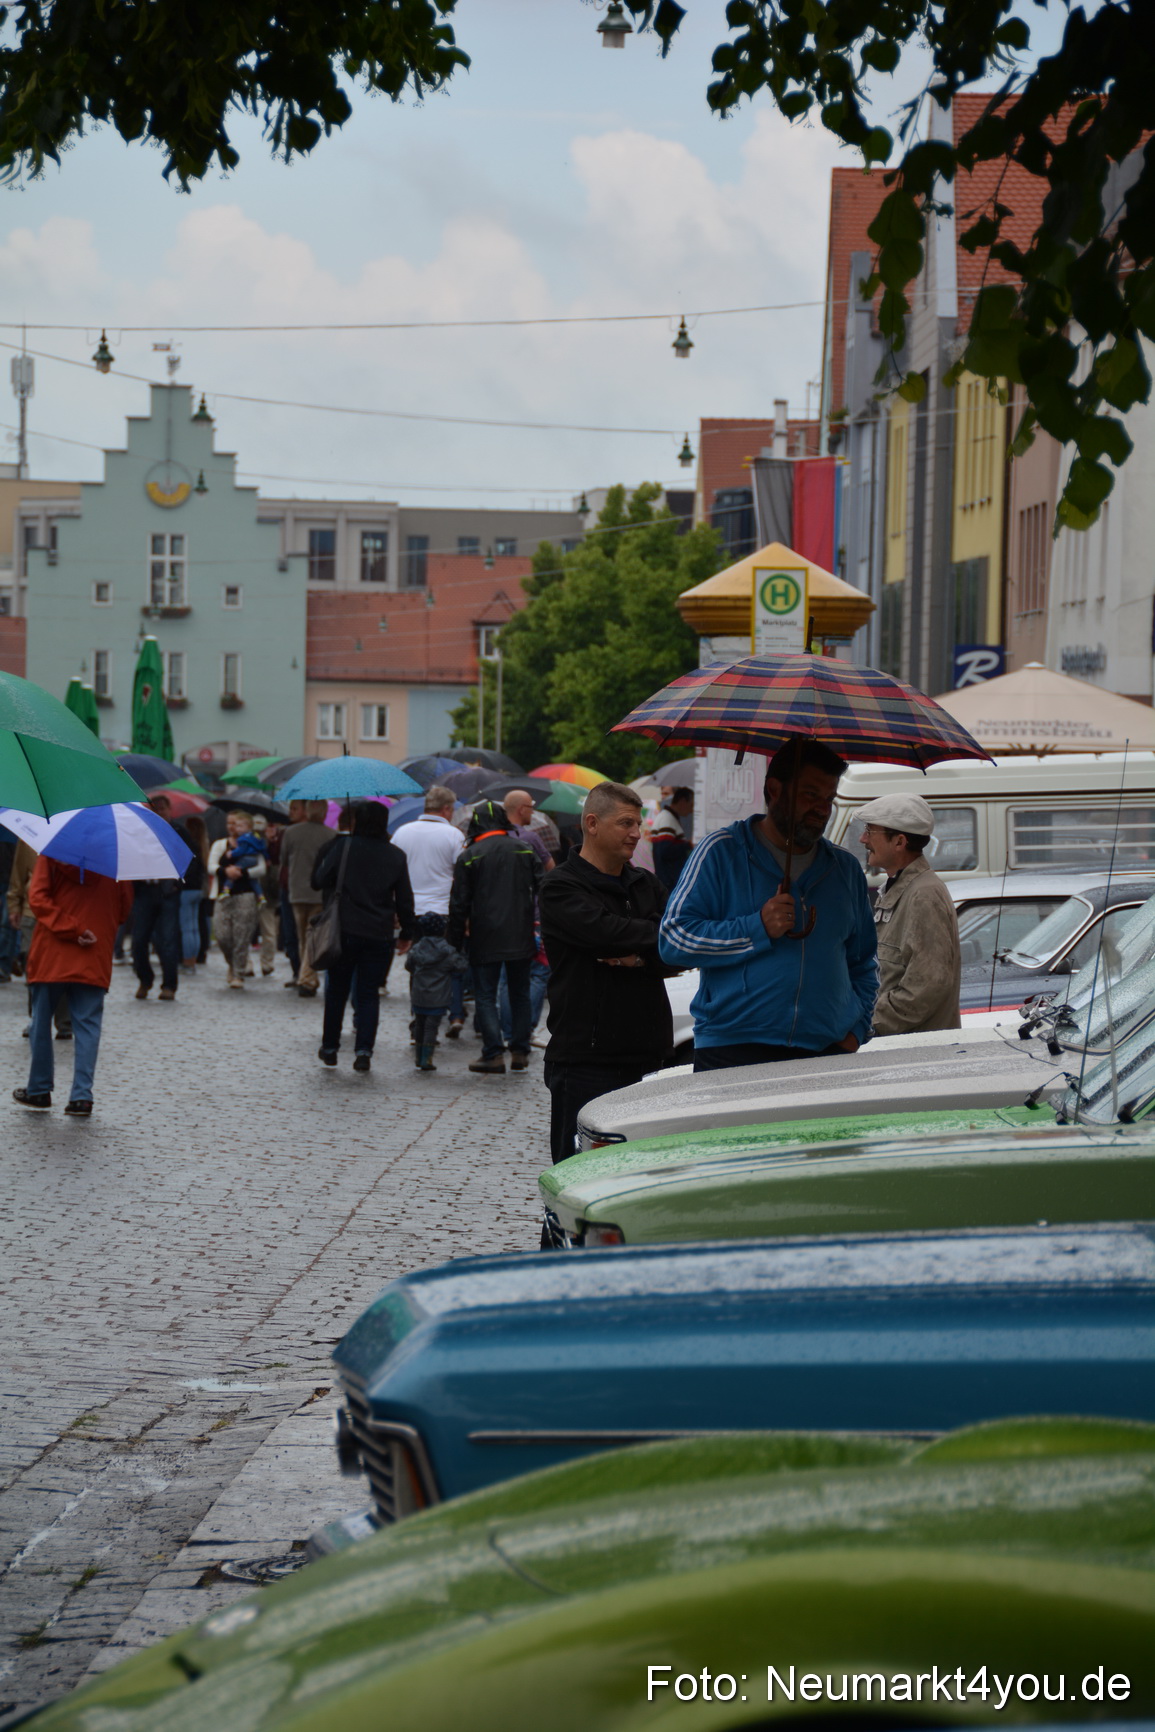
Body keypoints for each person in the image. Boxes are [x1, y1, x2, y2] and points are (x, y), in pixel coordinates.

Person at [659, 740, 878, 1071]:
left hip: (826, 1054)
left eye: (829, 798)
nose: (822, 808)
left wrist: (857, 1029)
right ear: (774, 790)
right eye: (809, 795)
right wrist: (756, 928)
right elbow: (674, 940)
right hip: (732, 1051)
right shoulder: (721, 852)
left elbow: (864, 962)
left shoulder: (844, 870)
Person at [539, 781, 675, 1164]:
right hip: (585, 1059)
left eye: (638, 823)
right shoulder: (560, 886)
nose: (636, 833)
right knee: (580, 1175)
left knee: (642, 1174)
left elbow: (682, 945)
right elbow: (604, 934)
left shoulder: (645, 883)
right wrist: (653, 936)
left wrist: (640, 958)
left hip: (649, 1056)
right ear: (593, 823)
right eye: (626, 823)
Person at [12, 854, 132, 1115]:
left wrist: (71, 928)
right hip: (95, 949)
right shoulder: (115, 857)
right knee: (88, 1026)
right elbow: (124, 908)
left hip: (52, 952)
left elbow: (39, 899)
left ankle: (39, 1090)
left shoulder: (53, 851)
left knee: (41, 1021)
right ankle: (81, 1097)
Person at [311, 801, 417, 1071]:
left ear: (357, 821)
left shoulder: (342, 847)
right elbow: (405, 899)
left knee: (337, 990)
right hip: (379, 933)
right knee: (368, 994)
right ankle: (363, 1051)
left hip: (343, 931)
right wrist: (406, 932)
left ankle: (330, 1047)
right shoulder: (395, 855)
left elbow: (318, 880)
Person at [447, 798, 542, 1075]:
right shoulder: (524, 850)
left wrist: (453, 941)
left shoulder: (470, 855)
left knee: (486, 996)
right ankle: (520, 1051)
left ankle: (493, 1054)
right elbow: (544, 888)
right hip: (521, 933)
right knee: (520, 993)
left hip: (484, 935)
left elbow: (458, 903)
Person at [858, 793, 962, 1036]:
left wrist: (865, 1024)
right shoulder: (902, 886)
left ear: (899, 841)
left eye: (870, 831)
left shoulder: (923, 895)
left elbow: (925, 988)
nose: (863, 839)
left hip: (915, 1054)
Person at [131, 794, 191, 1001]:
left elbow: (192, 860)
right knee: (138, 941)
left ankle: (169, 985)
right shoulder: (140, 832)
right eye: (154, 809)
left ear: (169, 811)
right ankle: (145, 979)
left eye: (162, 809)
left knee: (167, 941)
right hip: (144, 890)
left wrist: (177, 884)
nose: (159, 813)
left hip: (168, 892)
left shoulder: (178, 831)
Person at [279, 799, 333, 997]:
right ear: (325, 813)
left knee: (303, 937)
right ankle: (308, 978)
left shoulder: (291, 833)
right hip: (319, 894)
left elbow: (283, 860)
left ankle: (307, 979)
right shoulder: (331, 835)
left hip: (297, 892)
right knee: (314, 937)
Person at [405, 912, 468, 1071]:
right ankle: (426, 1058)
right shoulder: (448, 951)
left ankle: (419, 1057)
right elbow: (460, 967)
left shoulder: (417, 948)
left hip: (419, 994)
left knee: (419, 1025)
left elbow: (408, 965)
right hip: (439, 996)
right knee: (431, 1028)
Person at [212, 811, 267, 988]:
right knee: (222, 936)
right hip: (224, 896)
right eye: (229, 823)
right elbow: (210, 865)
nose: (232, 827)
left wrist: (243, 872)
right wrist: (225, 871)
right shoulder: (221, 845)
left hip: (246, 895)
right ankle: (232, 964)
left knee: (241, 936)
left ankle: (238, 973)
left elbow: (261, 868)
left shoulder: (251, 843)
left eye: (236, 823)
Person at [649, 786, 695, 889]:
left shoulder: (668, 817)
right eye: (691, 805)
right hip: (669, 882)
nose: (692, 810)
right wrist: (688, 845)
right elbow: (665, 851)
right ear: (683, 801)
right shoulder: (667, 819)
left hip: (668, 881)